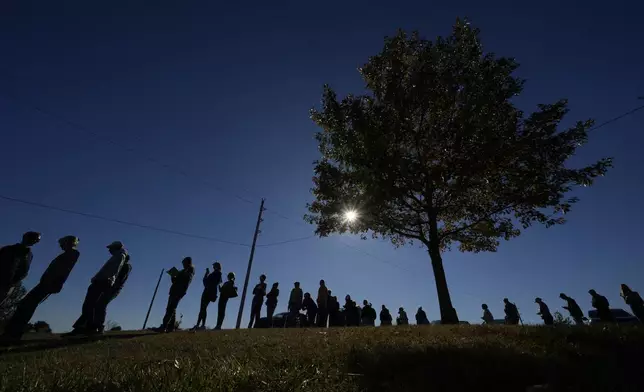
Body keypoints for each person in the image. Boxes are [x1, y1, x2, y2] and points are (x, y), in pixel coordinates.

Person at [2, 236, 79, 340]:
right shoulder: (67, 254)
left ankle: (13, 333)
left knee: (26, 305)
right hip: (46, 283)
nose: (61, 246)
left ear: (69, 243)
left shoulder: (72, 254)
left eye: (62, 243)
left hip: (49, 284)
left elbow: (64, 270)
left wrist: (58, 283)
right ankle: (13, 332)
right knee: (26, 304)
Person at [68, 241, 127, 335]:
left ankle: (90, 327)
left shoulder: (119, 256)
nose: (109, 250)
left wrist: (102, 279)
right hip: (102, 281)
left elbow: (112, 270)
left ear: (116, 248)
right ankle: (89, 326)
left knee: (90, 304)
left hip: (102, 281)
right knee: (91, 305)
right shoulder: (117, 256)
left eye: (110, 248)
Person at [0, 231, 41, 305]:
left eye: (36, 240)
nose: (34, 241)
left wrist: (13, 283)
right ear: (25, 237)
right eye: (33, 238)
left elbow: (24, 272)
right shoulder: (8, 249)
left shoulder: (29, 256)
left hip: (8, 286)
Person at [93, 254, 131, 333]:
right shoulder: (123, 266)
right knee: (99, 304)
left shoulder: (126, 266)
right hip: (111, 288)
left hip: (114, 289)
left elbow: (120, 279)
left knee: (101, 304)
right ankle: (96, 325)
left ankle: (99, 326)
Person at [157, 257, 195, 333]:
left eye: (184, 263)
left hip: (179, 291)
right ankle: (170, 327)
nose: (183, 264)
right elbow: (174, 281)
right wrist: (173, 276)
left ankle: (164, 326)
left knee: (170, 308)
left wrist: (178, 276)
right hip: (174, 290)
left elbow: (186, 280)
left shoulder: (190, 270)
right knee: (172, 308)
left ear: (187, 262)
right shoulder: (184, 271)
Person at [194, 262, 222, 330]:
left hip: (209, 292)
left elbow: (214, 282)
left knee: (203, 308)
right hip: (207, 291)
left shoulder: (218, 273)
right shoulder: (214, 274)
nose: (213, 267)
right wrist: (207, 274)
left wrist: (207, 275)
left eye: (214, 266)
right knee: (202, 308)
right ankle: (198, 325)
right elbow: (205, 282)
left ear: (217, 266)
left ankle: (202, 325)